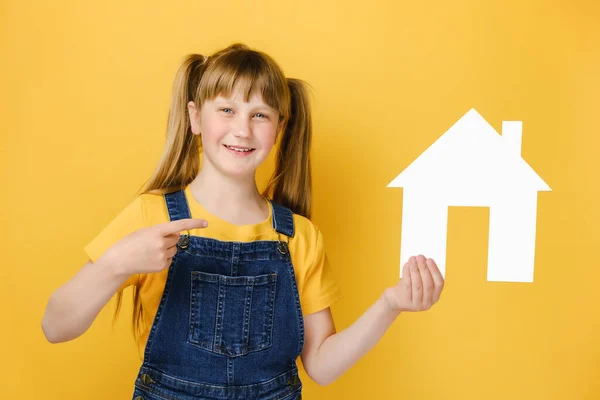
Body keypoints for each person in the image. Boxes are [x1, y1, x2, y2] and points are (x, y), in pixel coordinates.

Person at [41, 43, 444, 400]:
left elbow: (321, 366)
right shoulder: (152, 216)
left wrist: (389, 306)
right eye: (227, 109)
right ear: (196, 118)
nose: (242, 129)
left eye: (260, 115)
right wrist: (116, 264)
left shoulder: (298, 235)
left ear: (279, 128)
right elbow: (55, 326)